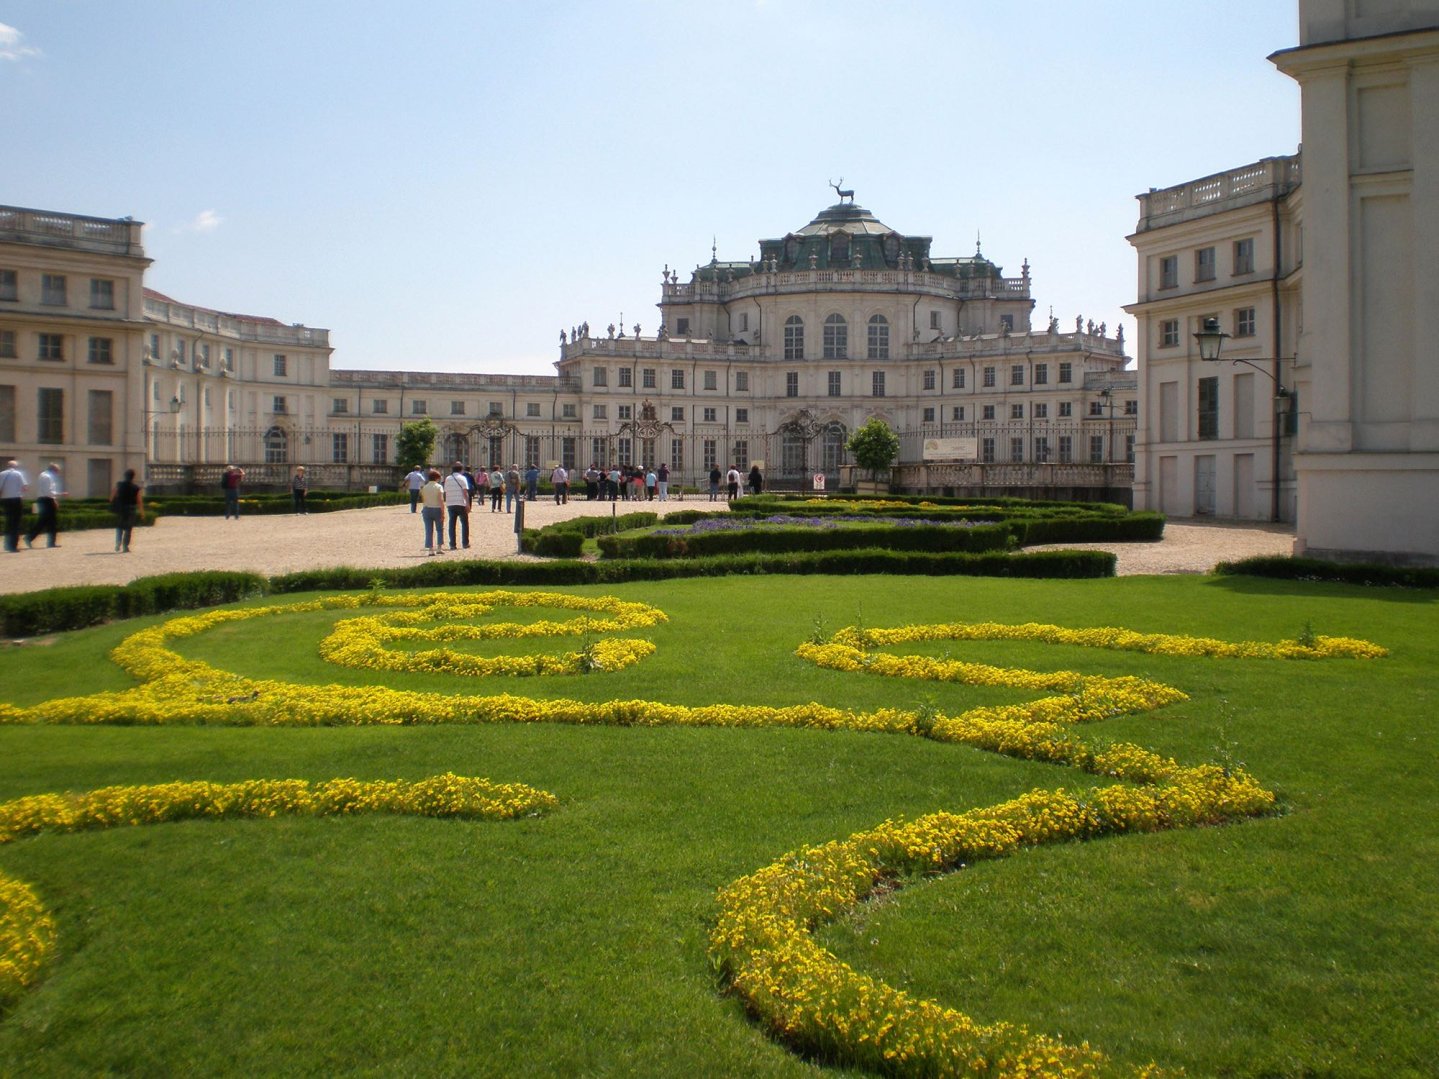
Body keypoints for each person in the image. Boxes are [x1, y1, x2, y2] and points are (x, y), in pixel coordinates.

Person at [25, 462, 65, 548]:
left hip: (43, 500)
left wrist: (54, 499)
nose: (58, 473)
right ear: (54, 470)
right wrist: (60, 494)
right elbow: (48, 492)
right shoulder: (48, 477)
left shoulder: (43, 475)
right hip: (46, 500)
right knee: (49, 522)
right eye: (57, 471)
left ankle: (49, 542)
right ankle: (31, 538)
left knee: (46, 521)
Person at [111, 468, 143, 554]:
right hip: (131, 509)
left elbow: (113, 494)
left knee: (119, 526)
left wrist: (113, 501)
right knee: (129, 528)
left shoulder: (119, 485)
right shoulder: (136, 488)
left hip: (121, 508)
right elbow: (139, 500)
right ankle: (125, 546)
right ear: (133, 477)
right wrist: (142, 512)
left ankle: (118, 542)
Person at [0, 459, 29, 553]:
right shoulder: (18, 474)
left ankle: (7, 544)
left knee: (8, 521)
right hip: (16, 499)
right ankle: (13, 545)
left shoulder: (1, 474)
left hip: (5, 499)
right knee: (16, 523)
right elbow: (24, 487)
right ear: (15, 466)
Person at [443, 462, 471, 549]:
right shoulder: (462, 478)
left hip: (450, 503)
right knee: (464, 524)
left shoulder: (447, 478)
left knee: (452, 524)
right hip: (460, 503)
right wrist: (468, 504)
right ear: (461, 470)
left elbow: (445, 491)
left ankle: (452, 544)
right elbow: (465, 493)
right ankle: (465, 543)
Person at [420, 469, 445, 554]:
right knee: (439, 529)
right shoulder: (439, 487)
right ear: (436, 478)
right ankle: (439, 548)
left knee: (428, 530)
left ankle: (430, 549)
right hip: (437, 508)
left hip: (427, 509)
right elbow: (441, 500)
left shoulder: (424, 487)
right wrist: (443, 511)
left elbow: (423, 499)